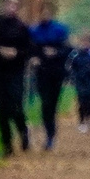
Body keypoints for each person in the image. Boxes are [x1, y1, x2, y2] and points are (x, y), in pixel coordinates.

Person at [0, 0, 36, 156]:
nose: (10, 7)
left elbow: (29, 50)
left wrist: (16, 53)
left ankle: (23, 130)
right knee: (1, 109)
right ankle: (7, 145)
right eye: (8, 3)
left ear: (18, 7)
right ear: (3, 4)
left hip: (16, 71)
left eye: (14, 4)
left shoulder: (22, 27)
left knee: (15, 105)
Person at [30, 13, 73, 149]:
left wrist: (56, 53)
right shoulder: (34, 31)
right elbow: (29, 49)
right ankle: (49, 134)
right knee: (45, 102)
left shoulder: (60, 30)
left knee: (52, 104)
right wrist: (34, 58)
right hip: (41, 73)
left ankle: (51, 134)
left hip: (57, 72)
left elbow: (68, 50)